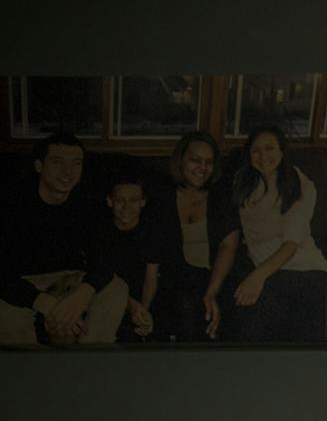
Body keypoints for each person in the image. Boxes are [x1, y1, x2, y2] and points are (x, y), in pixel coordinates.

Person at [0, 131, 129, 348]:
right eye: (58, 162)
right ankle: (29, 372)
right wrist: (44, 303)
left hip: (70, 279)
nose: (68, 172)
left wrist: (83, 293)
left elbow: (106, 255)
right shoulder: (12, 202)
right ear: (39, 166)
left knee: (116, 288)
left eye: (76, 163)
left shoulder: (88, 201)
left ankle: (90, 359)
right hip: (23, 282)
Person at [227, 126, 327, 342]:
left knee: (258, 308)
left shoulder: (300, 184)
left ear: (282, 151)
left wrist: (257, 277)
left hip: (307, 271)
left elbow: (291, 244)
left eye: (270, 148)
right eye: (255, 151)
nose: (263, 157)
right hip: (269, 273)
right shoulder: (242, 182)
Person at [153, 131, 241, 342]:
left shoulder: (221, 196)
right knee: (186, 307)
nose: (203, 168)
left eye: (209, 162)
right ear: (180, 159)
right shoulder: (161, 195)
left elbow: (229, 245)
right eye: (195, 160)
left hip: (216, 277)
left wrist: (211, 293)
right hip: (177, 278)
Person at [87, 173, 160, 342]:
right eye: (120, 200)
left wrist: (144, 311)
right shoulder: (99, 233)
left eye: (134, 200)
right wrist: (133, 307)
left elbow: (151, 277)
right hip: (105, 296)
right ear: (110, 201)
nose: (127, 207)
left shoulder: (151, 232)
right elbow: (101, 279)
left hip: (140, 297)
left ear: (143, 202)